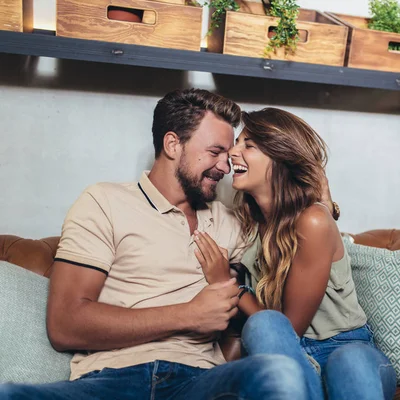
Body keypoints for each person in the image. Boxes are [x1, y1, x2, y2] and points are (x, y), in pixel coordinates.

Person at [0, 90, 308, 400]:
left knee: (278, 373)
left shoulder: (231, 221)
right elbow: (64, 324)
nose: (225, 167)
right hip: (113, 380)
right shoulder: (104, 202)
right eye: (215, 151)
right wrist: (187, 315)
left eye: (227, 155)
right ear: (173, 144)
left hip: (200, 381)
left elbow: (292, 241)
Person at [194, 108, 397, 400]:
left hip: (345, 349)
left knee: (345, 360)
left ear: (280, 158)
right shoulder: (248, 224)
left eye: (248, 146)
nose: (232, 153)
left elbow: (291, 328)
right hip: (287, 362)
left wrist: (231, 286)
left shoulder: (312, 221)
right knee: (263, 324)